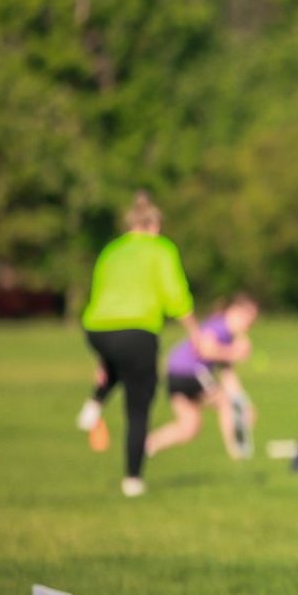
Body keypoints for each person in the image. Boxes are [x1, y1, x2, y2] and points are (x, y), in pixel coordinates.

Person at [75, 192, 201, 498]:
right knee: (138, 406)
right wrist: (195, 333)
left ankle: (95, 402)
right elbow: (175, 295)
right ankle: (133, 479)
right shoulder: (160, 249)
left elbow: (100, 295)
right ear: (154, 225)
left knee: (121, 364)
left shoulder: (111, 251)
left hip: (97, 329)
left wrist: (102, 357)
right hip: (138, 329)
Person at [146, 294, 260, 460]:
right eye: (248, 319)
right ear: (234, 311)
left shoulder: (227, 334)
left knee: (189, 427)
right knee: (226, 404)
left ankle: (146, 445)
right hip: (191, 371)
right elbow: (206, 349)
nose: (249, 326)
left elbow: (228, 375)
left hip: (174, 374)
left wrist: (242, 401)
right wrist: (234, 353)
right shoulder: (220, 326)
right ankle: (237, 452)